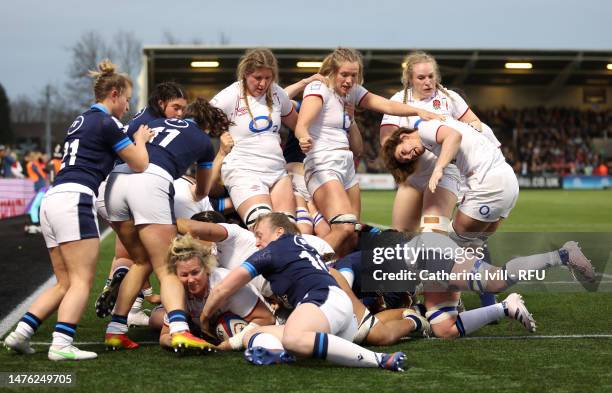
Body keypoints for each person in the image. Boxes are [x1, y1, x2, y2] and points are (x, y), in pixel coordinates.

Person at [4, 59, 152, 361]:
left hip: (53, 198)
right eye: (126, 97)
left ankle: (21, 333)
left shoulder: (81, 118)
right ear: (113, 93)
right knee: (82, 281)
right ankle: (62, 344)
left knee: (64, 282)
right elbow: (140, 164)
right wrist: (141, 141)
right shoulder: (106, 122)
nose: (127, 104)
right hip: (75, 198)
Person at [200, 213, 407, 372]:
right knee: (253, 335)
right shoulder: (298, 245)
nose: (256, 243)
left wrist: (204, 319)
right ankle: (277, 354)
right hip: (332, 312)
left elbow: (223, 288)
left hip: (324, 302)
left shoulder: (273, 251)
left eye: (260, 235)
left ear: (279, 232)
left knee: (293, 337)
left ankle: (379, 359)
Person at [103, 97, 227, 352]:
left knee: (141, 261)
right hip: (150, 181)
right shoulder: (203, 141)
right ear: (207, 126)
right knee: (166, 266)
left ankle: (115, 330)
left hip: (114, 182)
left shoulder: (157, 121)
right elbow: (202, 191)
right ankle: (181, 330)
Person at [294, 47, 443, 256]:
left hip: (346, 165)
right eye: (343, 74)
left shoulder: (352, 93)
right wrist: (303, 137)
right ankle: (299, 268)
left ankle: (337, 283)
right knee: (344, 227)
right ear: (333, 72)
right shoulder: (319, 88)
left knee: (352, 235)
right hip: (323, 163)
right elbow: (302, 124)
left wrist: (417, 110)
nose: (348, 80)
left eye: (353, 75)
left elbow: (385, 105)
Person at [211, 48, 299, 228]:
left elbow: (299, 127)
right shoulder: (229, 96)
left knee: (288, 232)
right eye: (258, 78)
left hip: (277, 172)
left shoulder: (277, 93)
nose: (263, 83)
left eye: (268, 78)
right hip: (244, 171)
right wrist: (220, 140)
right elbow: (200, 122)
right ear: (245, 73)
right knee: (264, 229)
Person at [149, 233, 276, 352]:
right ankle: (194, 330)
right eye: (184, 275)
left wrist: (230, 344)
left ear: (207, 268)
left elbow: (267, 319)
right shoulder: (177, 290)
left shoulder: (225, 283)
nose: (191, 280)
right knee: (156, 319)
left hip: (241, 319)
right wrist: (178, 342)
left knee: (226, 327)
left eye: (195, 272)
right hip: (203, 322)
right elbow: (164, 336)